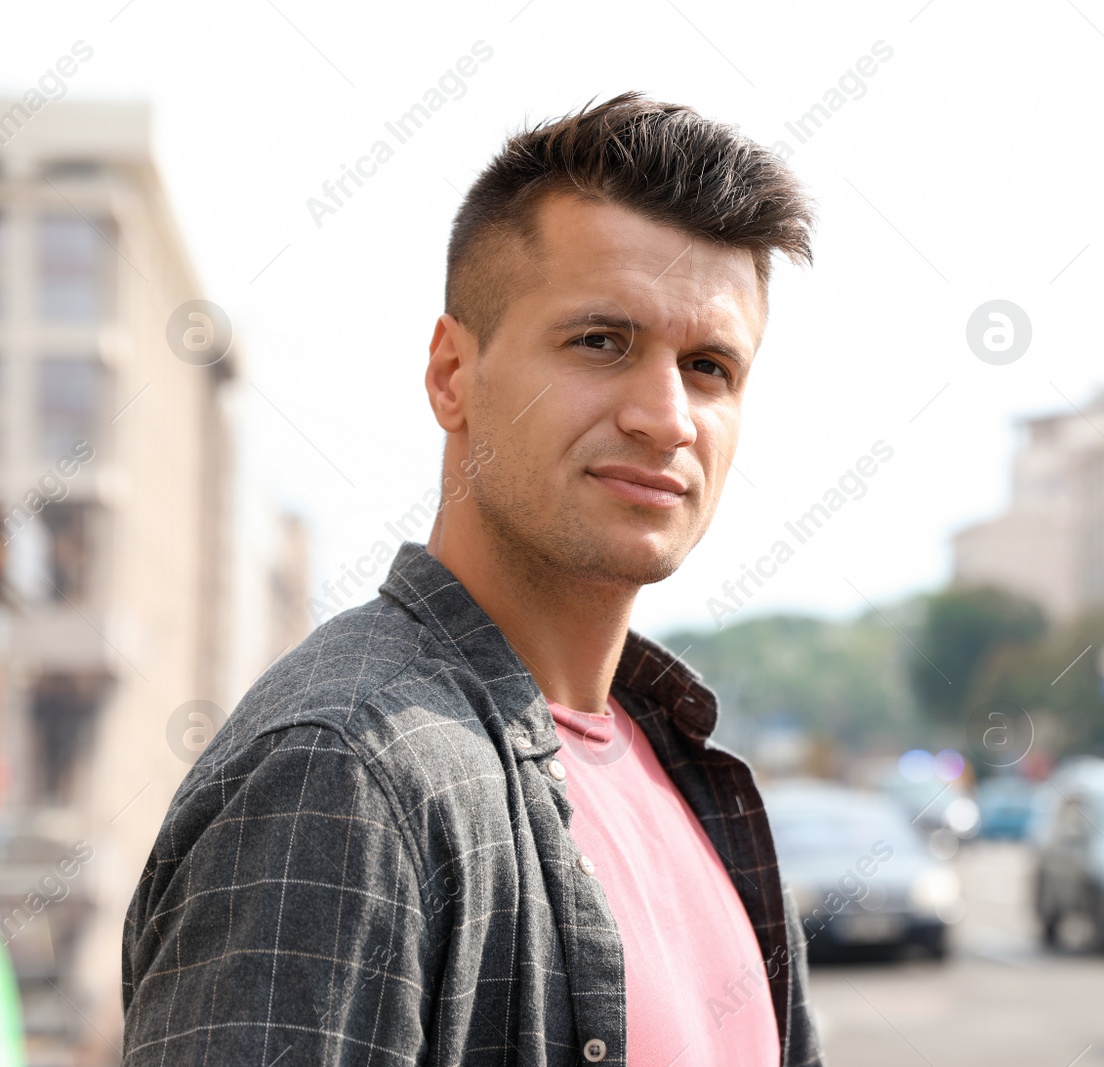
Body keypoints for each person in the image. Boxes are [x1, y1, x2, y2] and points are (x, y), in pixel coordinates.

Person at [122, 92, 822, 1066]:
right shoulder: (343, 771)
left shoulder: (691, 769)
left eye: (709, 366)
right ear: (452, 372)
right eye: (601, 341)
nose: (666, 417)